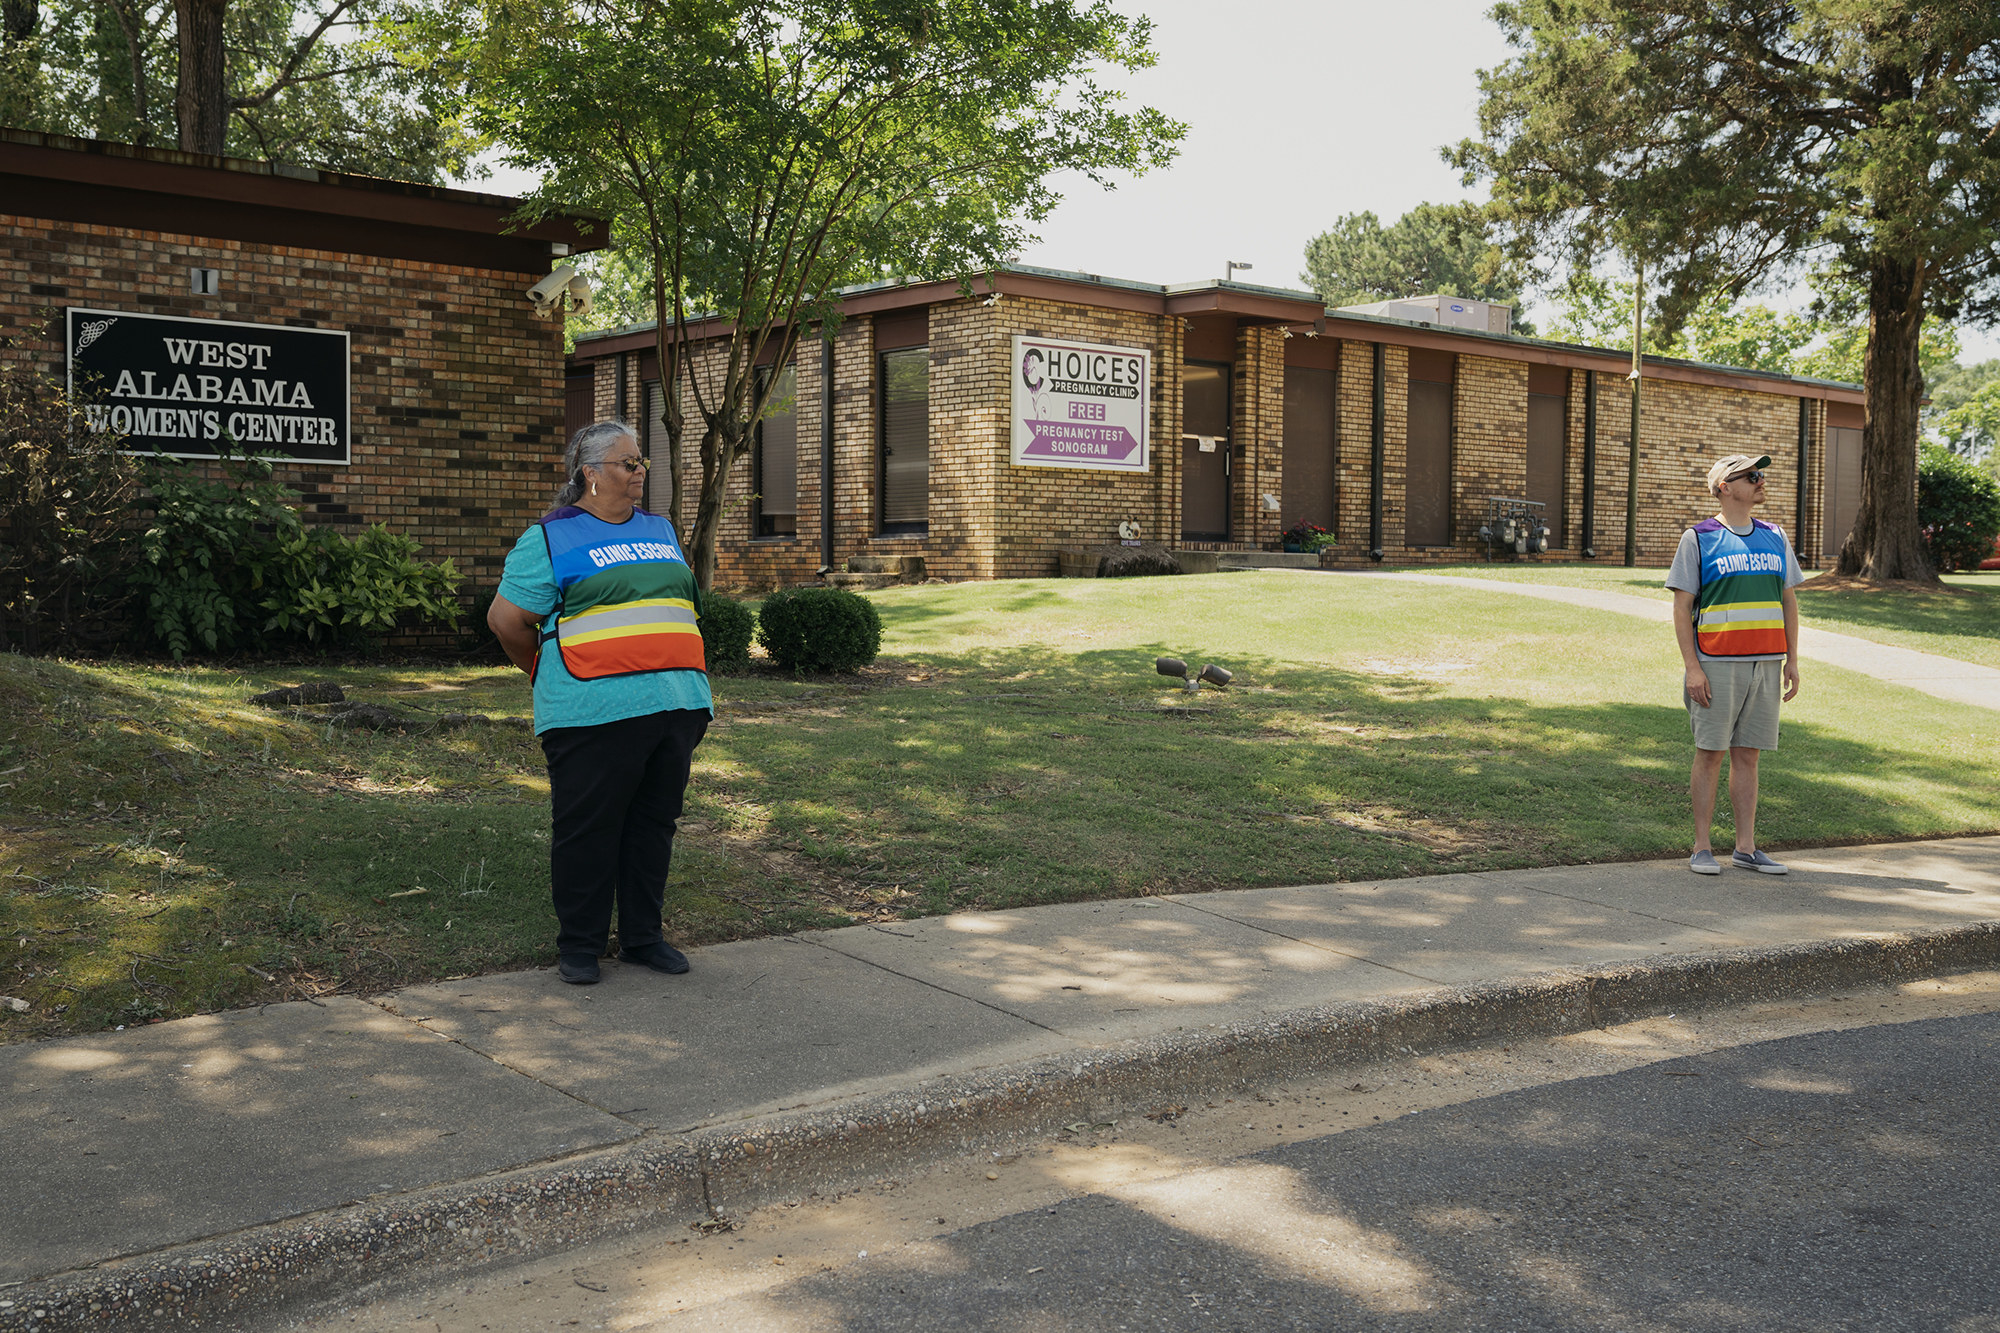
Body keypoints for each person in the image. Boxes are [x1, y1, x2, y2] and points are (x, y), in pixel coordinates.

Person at [486, 421, 712, 984]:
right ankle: (580, 947)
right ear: (589, 473)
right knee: (588, 828)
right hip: (591, 710)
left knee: (653, 825)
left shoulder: (661, 530)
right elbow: (507, 621)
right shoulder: (551, 537)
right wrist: (543, 674)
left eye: (641, 464)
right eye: (628, 463)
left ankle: (643, 938)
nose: (639, 473)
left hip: (675, 704)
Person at [1665, 453, 1803, 876]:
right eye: (1751, 476)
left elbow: (1788, 600)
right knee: (1711, 754)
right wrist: (1693, 667)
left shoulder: (1776, 536)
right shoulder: (1699, 538)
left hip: (1766, 663)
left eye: (1761, 475)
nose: (1761, 481)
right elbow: (1681, 605)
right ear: (1725, 487)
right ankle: (1702, 847)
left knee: (1749, 756)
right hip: (1717, 665)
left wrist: (1792, 660)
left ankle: (1746, 848)